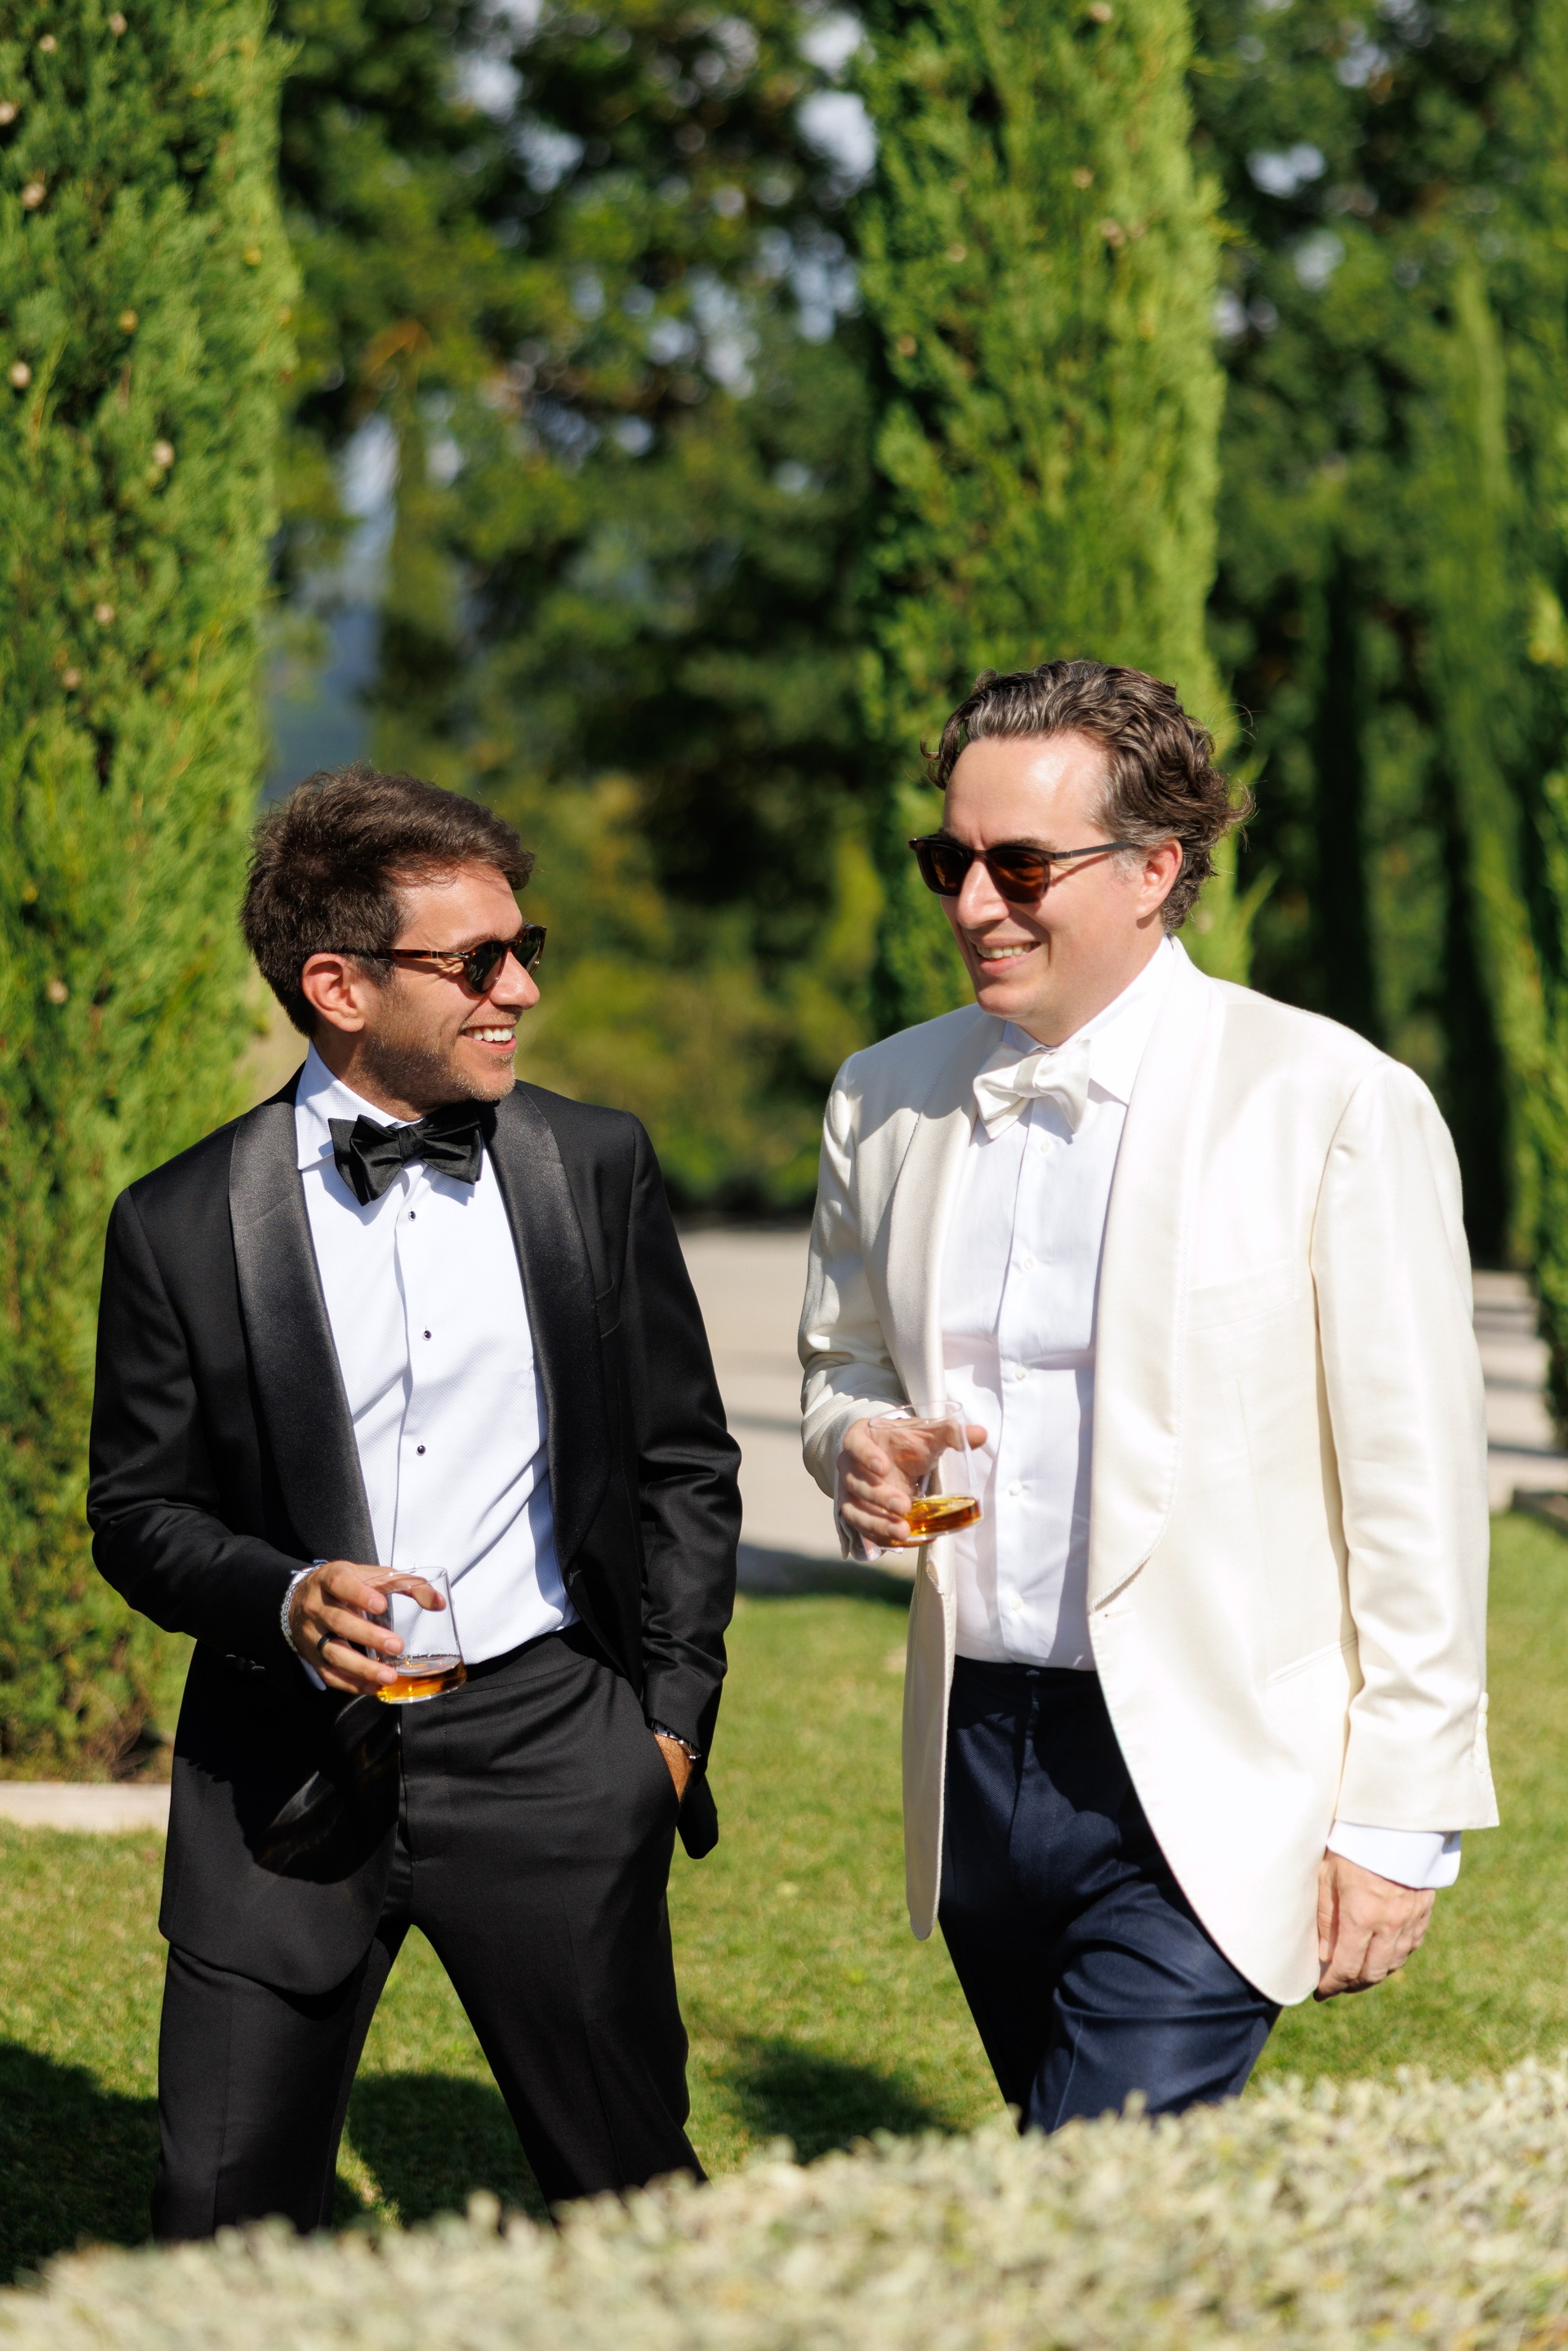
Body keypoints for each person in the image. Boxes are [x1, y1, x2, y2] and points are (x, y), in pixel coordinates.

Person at [799, 661, 1494, 2131]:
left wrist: (1401, 1818)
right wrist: (853, 1437)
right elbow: (839, 1362)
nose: (974, 904)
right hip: (975, 1748)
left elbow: (1418, 1490)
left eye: (1020, 866)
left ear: (1155, 869)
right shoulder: (882, 1094)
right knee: (1103, 2205)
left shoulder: (1328, 1098)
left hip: (1220, 1762)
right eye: (948, 861)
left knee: (1084, 2183)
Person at [88, 764, 740, 2236]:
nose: (520, 991)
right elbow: (136, 1512)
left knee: (635, 2199)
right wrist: (282, 1599)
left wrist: (665, 1730)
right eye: (478, 963)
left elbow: (684, 1464)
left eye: (526, 950)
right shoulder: (178, 1223)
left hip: (554, 1745)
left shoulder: (595, 1167)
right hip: (279, 1770)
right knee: (219, 2220)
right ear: (340, 986)